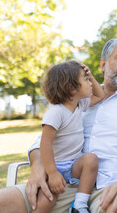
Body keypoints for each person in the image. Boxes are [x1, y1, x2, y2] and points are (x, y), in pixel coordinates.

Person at [0, 38, 117, 213]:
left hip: (114, 184)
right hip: (66, 183)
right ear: (103, 65)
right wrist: (37, 168)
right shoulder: (79, 98)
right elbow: (41, 142)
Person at [38, 60, 104, 213]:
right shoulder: (56, 112)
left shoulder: (80, 105)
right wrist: (52, 173)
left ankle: (79, 205)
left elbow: (100, 95)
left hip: (74, 164)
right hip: (56, 166)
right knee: (46, 201)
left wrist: (91, 76)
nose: (90, 84)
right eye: (86, 80)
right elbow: (45, 144)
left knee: (91, 159)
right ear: (72, 88)